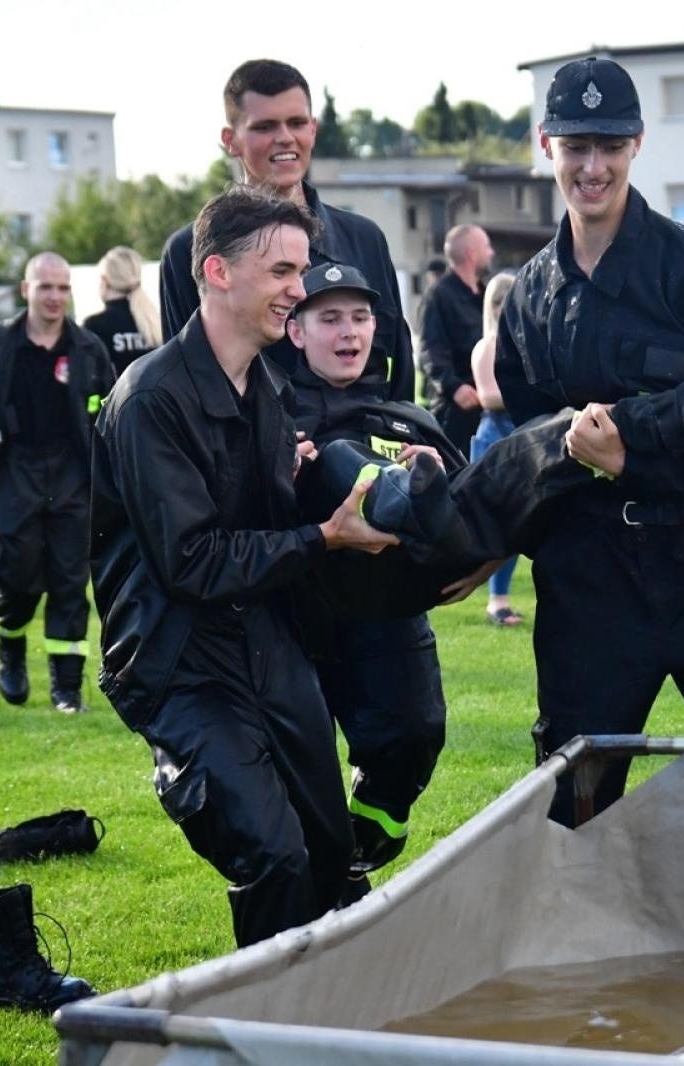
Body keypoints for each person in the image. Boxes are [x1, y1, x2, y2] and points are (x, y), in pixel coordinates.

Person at [92, 187, 399, 948]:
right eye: (283, 271)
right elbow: (192, 561)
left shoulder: (264, 385)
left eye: (301, 270)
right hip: (178, 664)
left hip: (266, 645)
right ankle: (262, 1031)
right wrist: (324, 535)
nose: (301, 289)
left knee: (333, 857)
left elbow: (264, 518)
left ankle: (335, 1022)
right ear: (218, 273)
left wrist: (367, 484)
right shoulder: (151, 399)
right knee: (273, 857)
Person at [495, 57, 684, 826]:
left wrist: (637, 458)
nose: (593, 166)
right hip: (589, 583)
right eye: (576, 145)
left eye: (611, 146)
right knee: (573, 811)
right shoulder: (529, 295)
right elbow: (525, 447)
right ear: (546, 144)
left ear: (637, 145)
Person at [285, 261, 459, 884]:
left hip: (384, 615)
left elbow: (467, 516)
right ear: (296, 330)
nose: (348, 332)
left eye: (359, 317)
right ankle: (325, 880)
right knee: (294, 779)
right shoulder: (265, 412)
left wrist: (436, 472)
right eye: (329, 318)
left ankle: (366, 839)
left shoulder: (407, 420)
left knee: (415, 736)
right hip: (294, 618)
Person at [158, 59, 414, 402]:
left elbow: (398, 365)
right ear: (230, 140)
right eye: (265, 127)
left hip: (361, 448)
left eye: (295, 123)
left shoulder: (364, 239)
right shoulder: (188, 251)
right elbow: (184, 381)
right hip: (250, 452)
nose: (284, 138)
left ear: (313, 130)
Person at [0, 252, 115, 714]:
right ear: (26, 290)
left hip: (71, 477)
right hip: (15, 472)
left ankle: (67, 689)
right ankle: (11, 651)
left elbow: (112, 424)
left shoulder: (88, 349)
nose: (55, 297)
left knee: (69, 579)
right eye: (46, 287)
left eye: (63, 288)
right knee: (15, 572)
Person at [468, 271, 524, 627]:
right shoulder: (489, 345)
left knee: (519, 526)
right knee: (498, 527)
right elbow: (487, 396)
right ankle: (495, 600)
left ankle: (500, 598)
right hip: (495, 439)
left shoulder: (518, 344)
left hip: (515, 436)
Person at [420, 224, 494, 452]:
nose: (491, 252)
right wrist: (454, 387)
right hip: (456, 412)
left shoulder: (486, 297)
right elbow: (429, 350)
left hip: (489, 409)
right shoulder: (438, 296)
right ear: (471, 254)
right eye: (487, 247)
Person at [83, 245, 161, 377]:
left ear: (105, 281)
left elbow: (89, 379)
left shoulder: (95, 325)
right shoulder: (155, 323)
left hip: (112, 397)